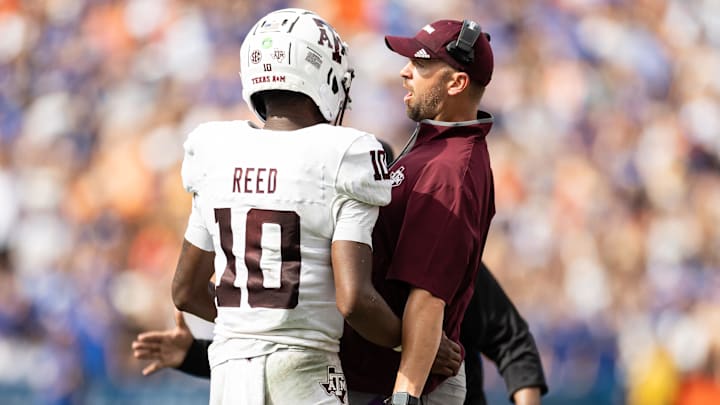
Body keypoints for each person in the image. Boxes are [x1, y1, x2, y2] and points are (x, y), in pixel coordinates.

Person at [169, 8, 408, 404]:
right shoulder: (345, 153)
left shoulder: (214, 151)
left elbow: (185, 291)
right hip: (305, 366)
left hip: (230, 372)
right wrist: (412, 342)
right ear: (326, 75)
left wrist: (251, 321)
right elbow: (353, 300)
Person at [339, 18, 498, 405]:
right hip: (382, 377)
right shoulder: (435, 149)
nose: (405, 72)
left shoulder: (449, 172)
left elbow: (428, 296)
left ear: (456, 83)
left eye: (421, 64)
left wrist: (404, 395)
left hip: (401, 385)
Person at [132, 261, 548, 404]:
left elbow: (510, 340)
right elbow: (288, 352)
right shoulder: (332, 270)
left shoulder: (435, 257)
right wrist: (191, 355)